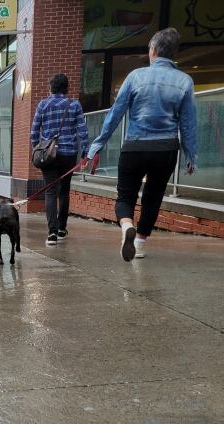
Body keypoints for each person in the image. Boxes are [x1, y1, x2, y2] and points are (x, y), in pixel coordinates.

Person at [87, 28, 196, 262]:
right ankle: (140, 243)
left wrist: (97, 146)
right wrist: (190, 155)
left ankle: (127, 225)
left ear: (153, 51)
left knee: (125, 197)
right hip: (166, 149)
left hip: (134, 147)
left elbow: (115, 115)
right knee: (153, 198)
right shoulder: (185, 81)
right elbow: (188, 124)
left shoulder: (135, 76)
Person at [30, 74, 89, 246]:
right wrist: (85, 152)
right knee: (64, 190)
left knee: (50, 192)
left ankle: (52, 234)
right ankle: (62, 228)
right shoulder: (74, 105)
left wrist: (38, 149)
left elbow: (34, 132)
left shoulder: (43, 104)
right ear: (67, 88)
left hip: (48, 155)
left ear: (51, 88)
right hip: (68, 154)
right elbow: (82, 131)